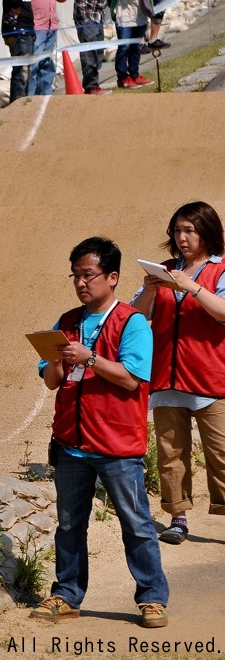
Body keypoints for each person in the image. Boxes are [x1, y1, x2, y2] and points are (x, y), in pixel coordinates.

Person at [33, 236, 169, 629]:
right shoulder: (67, 321)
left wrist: (90, 357)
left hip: (117, 445)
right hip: (71, 443)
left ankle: (153, 598)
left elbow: (131, 379)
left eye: (88, 275)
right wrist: (57, 362)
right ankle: (66, 595)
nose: (80, 283)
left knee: (137, 524)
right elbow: (51, 381)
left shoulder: (133, 322)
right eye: (75, 275)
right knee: (70, 524)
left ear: (112, 277)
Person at [130, 202, 225, 545]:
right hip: (168, 376)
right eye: (177, 231)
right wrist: (153, 288)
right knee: (171, 454)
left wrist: (192, 287)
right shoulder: (165, 270)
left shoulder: (221, 269)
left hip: (212, 377)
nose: (182, 238)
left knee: (221, 452)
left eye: (190, 230)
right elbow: (134, 317)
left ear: (207, 232)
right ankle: (177, 518)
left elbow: (223, 313)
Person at [112, 0, 155, 88]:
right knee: (124, 47)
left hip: (140, 10)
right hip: (123, 11)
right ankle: (123, 78)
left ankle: (135, 75)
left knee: (136, 46)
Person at [75, 0, 111, 95]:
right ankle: (91, 86)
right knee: (89, 54)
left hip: (98, 17)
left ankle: (94, 85)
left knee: (98, 54)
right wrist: (84, 20)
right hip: (88, 18)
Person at [2, 0, 35, 102]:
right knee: (22, 72)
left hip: (25, 30)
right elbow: (14, 1)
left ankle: (19, 104)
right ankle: (19, 105)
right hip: (19, 32)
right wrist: (15, 14)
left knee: (23, 71)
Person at [27, 0, 61, 95]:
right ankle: (30, 97)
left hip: (52, 25)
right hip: (36, 26)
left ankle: (45, 97)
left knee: (48, 63)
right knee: (33, 64)